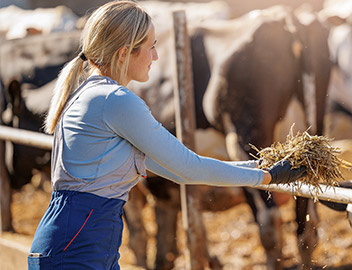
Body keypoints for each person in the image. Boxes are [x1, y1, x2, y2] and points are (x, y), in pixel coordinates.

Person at [28, 1, 306, 269]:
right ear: (124, 54)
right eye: (150, 48)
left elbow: (175, 169)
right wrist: (265, 177)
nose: (156, 57)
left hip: (79, 239)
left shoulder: (93, 95)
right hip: (78, 245)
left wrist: (262, 167)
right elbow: (187, 168)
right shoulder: (115, 100)